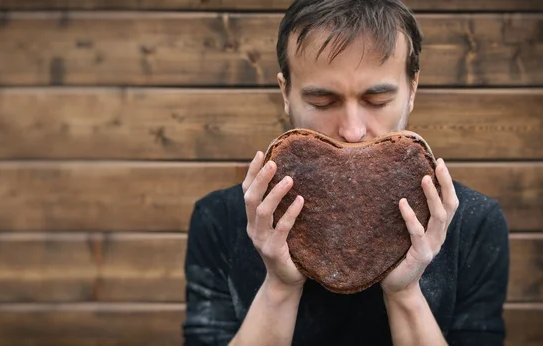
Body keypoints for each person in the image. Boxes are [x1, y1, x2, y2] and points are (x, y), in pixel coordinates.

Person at [182, 0, 510, 345]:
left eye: (377, 101)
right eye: (323, 103)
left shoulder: (475, 221)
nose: (352, 131)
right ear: (285, 93)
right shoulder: (220, 219)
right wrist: (279, 285)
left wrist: (404, 293)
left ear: (412, 90)